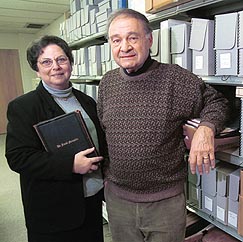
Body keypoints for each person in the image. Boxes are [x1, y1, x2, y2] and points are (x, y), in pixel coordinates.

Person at [97, 8, 230, 242]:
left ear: (149, 40)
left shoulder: (175, 79)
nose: (124, 46)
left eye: (132, 37)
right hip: (118, 201)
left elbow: (218, 102)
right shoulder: (107, 83)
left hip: (164, 204)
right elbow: (105, 134)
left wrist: (206, 128)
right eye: (116, 40)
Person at [5, 35, 107, 242]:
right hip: (55, 210)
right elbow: (18, 157)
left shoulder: (86, 100)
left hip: (92, 200)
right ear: (37, 68)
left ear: (70, 62)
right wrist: (70, 165)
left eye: (61, 59)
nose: (56, 67)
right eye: (46, 62)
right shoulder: (24, 106)